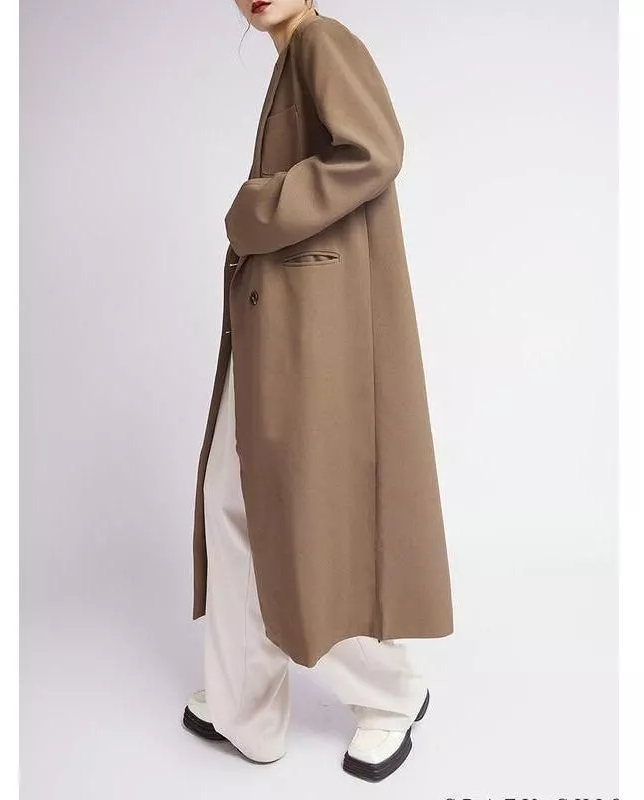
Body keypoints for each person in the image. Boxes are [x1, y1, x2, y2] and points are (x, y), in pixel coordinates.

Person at [183, 0, 454, 782]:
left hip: (315, 331)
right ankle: (245, 706)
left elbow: (376, 150)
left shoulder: (322, 42)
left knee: (296, 515)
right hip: (285, 323)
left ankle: (390, 694)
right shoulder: (292, 58)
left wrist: (257, 208)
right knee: (236, 503)